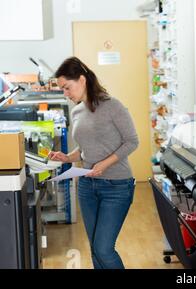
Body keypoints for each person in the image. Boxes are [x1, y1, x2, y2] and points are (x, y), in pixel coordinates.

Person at [48, 57, 139, 269]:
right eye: (62, 89)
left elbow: (132, 141)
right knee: (95, 248)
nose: (65, 94)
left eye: (67, 88)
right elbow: (86, 148)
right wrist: (68, 157)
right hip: (88, 186)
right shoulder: (77, 111)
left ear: (82, 80)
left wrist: (104, 164)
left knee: (103, 249)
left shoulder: (113, 106)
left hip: (116, 186)